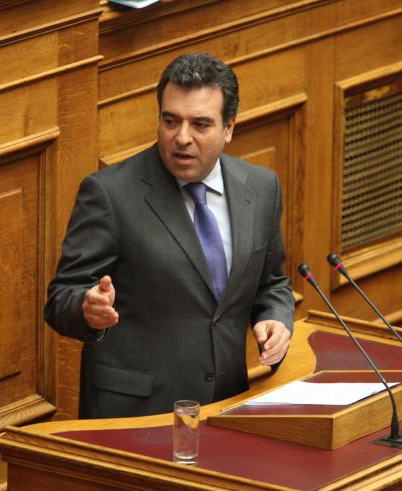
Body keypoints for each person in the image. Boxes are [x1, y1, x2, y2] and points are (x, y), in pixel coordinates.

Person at [44, 52, 294, 419]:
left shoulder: (260, 187)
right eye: (170, 121)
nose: (182, 138)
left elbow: (271, 284)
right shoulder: (110, 194)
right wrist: (87, 308)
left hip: (225, 405)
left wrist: (275, 317)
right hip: (135, 416)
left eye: (200, 124)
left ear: (229, 128)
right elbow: (60, 299)